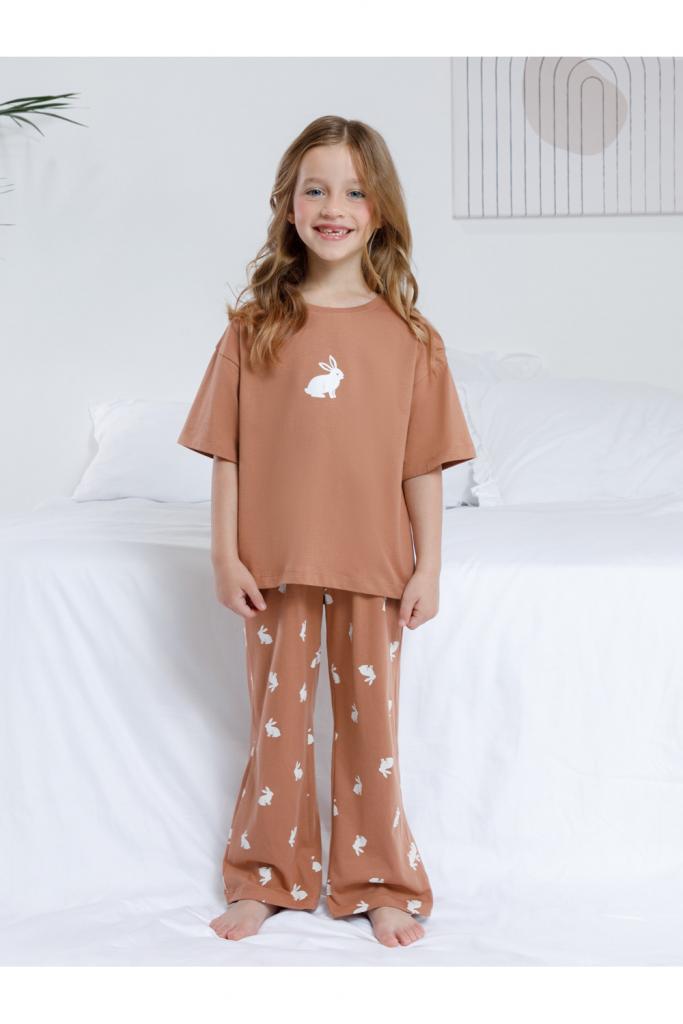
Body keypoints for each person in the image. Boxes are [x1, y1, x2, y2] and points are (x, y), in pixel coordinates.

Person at [177, 115, 477, 948]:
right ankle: (265, 876)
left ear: (379, 210)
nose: (332, 207)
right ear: (289, 205)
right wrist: (224, 554)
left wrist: (428, 568)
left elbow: (422, 465)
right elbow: (228, 455)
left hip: (375, 565)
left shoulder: (411, 338)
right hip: (273, 564)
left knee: (369, 732)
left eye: (352, 191)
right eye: (315, 189)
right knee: (275, 726)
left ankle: (379, 880)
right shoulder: (253, 327)